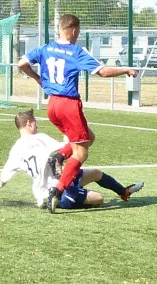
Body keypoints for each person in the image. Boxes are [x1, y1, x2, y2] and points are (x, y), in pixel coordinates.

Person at [17, 13, 138, 213]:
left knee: (88, 137)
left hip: (52, 105)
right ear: (74, 31)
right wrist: (126, 70)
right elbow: (103, 72)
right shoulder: (76, 51)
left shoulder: (46, 48)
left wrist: (38, 79)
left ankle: (58, 157)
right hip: (69, 105)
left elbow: (22, 63)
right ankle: (57, 191)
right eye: (78, 32)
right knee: (81, 153)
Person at [0, 109, 144, 209]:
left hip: (57, 182)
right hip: (56, 191)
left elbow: (7, 170)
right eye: (35, 122)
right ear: (29, 123)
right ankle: (66, 199)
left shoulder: (16, 149)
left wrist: (1, 182)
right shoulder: (39, 138)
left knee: (96, 173)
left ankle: (123, 192)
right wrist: (70, 135)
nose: (37, 125)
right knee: (99, 198)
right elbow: (66, 147)